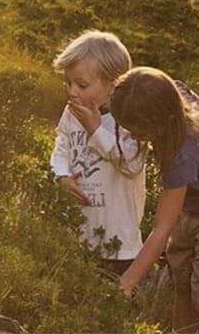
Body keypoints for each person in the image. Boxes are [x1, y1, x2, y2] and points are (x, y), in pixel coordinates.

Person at [110, 67, 199, 334]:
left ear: (163, 121)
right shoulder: (175, 93)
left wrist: (128, 282)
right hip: (191, 206)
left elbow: (162, 229)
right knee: (183, 286)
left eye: (139, 131)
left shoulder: (181, 156)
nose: (134, 137)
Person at [48, 30, 147, 276]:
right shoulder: (71, 113)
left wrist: (94, 128)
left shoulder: (128, 120)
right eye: (68, 83)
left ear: (112, 86)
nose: (72, 92)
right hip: (80, 232)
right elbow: (61, 145)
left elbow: (130, 165)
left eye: (82, 85)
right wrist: (60, 176)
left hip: (119, 242)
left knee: (114, 300)